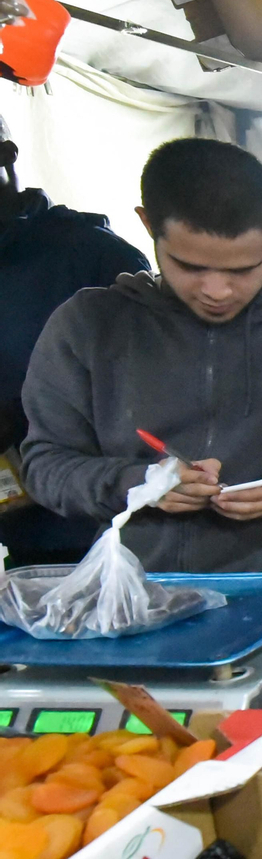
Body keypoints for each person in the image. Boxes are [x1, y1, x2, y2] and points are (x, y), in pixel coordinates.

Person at [20, 138, 262, 572]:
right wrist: (139, 485)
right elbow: (46, 465)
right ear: (148, 225)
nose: (217, 292)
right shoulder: (89, 326)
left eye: (243, 269)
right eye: (190, 267)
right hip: (144, 590)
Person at [0, 112, 152, 566]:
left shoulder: (95, 256)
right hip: (21, 534)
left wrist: (21, 413)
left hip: (106, 533)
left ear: (6, 155)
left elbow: (160, 390)